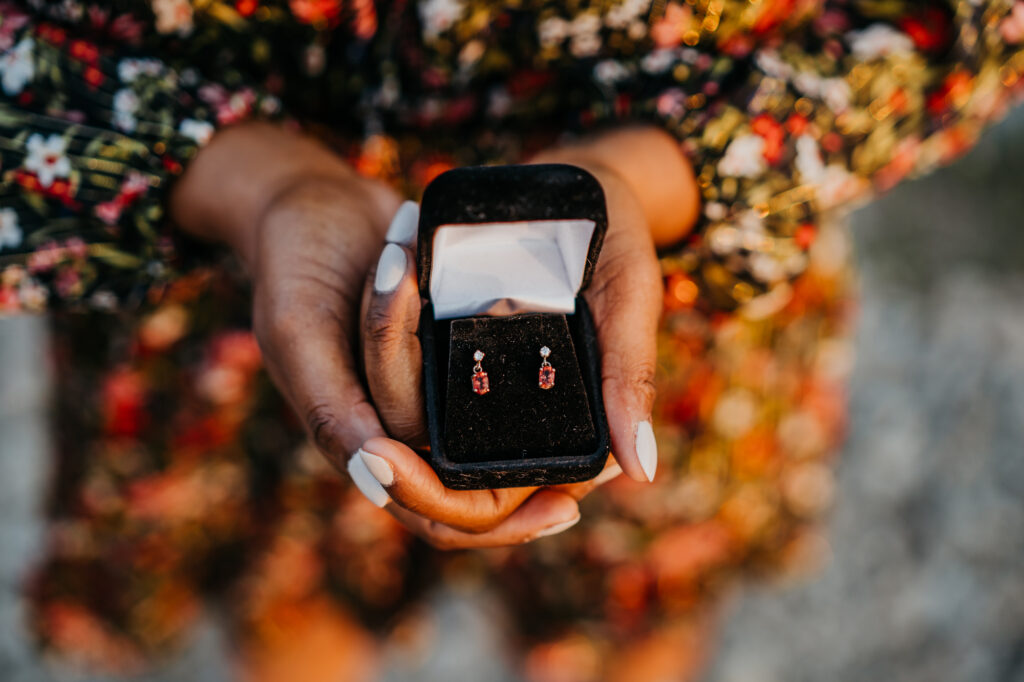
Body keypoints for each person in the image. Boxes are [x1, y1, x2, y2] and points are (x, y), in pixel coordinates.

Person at [0, 0, 1020, 679]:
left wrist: (660, 171)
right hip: (246, 291)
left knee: (621, 623)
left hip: (669, 274)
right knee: (289, 597)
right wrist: (252, 184)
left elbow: (965, 20)